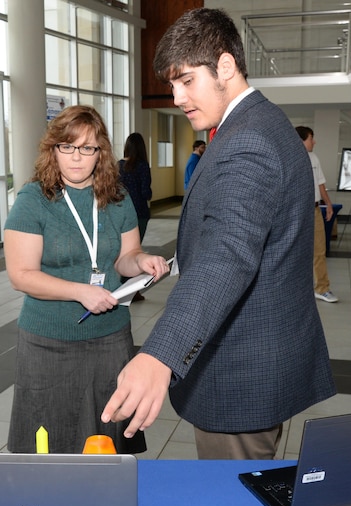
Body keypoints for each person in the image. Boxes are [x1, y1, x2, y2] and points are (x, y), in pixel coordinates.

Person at [101, 8, 336, 460]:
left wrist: (158, 355)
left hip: (241, 374)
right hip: (259, 359)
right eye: (172, 84)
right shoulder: (257, 126)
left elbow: (227, 256)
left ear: (225, 66)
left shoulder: (249, 140)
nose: (177, 96)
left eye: (186, 80)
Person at [4, 105, 169, 454]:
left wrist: (143, 261)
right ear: (53, 149)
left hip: (109, 341)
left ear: (101, 152)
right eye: (67, 147)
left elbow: (125, 257)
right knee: (50, 440)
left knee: (106, 435)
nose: (76, 158)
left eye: (87, 148)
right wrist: (81, 291)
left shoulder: (117, 198)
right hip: (48, 341)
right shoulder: (33, 200)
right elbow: (21, 275)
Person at [296, 126, 338, 303]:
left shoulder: (314, 158)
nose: (314, 141)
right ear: (301, 140)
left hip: (314, 210)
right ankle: (296, 289)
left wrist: (328, 204)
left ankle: (322, 288)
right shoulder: (290, 158)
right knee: (295, 252)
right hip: (297, 212)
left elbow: (320, 183)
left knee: (319, 250)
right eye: (311, 138)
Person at [118, 132, 153, 301]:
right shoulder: (142, 166)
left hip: (119, 213)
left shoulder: (118, 165)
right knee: (134, 251)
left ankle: (119, 287)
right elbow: (146, 192)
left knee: (121, 251)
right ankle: (132, 290)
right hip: (139, 213)